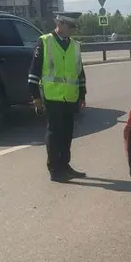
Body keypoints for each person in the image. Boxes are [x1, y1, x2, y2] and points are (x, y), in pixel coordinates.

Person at [28, 12, 87, 182]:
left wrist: (82, 95)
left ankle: (64, 165)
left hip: (70, 96)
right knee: (55, 132)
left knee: (67, 132)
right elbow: (34, 71)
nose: (72, 30)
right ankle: (54, 169)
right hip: (52, 96)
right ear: (59, 24)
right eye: (69, 26)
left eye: (73, 27)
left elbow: (79, 72)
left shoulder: (74, 45)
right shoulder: (45, 42)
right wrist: (35, 96)